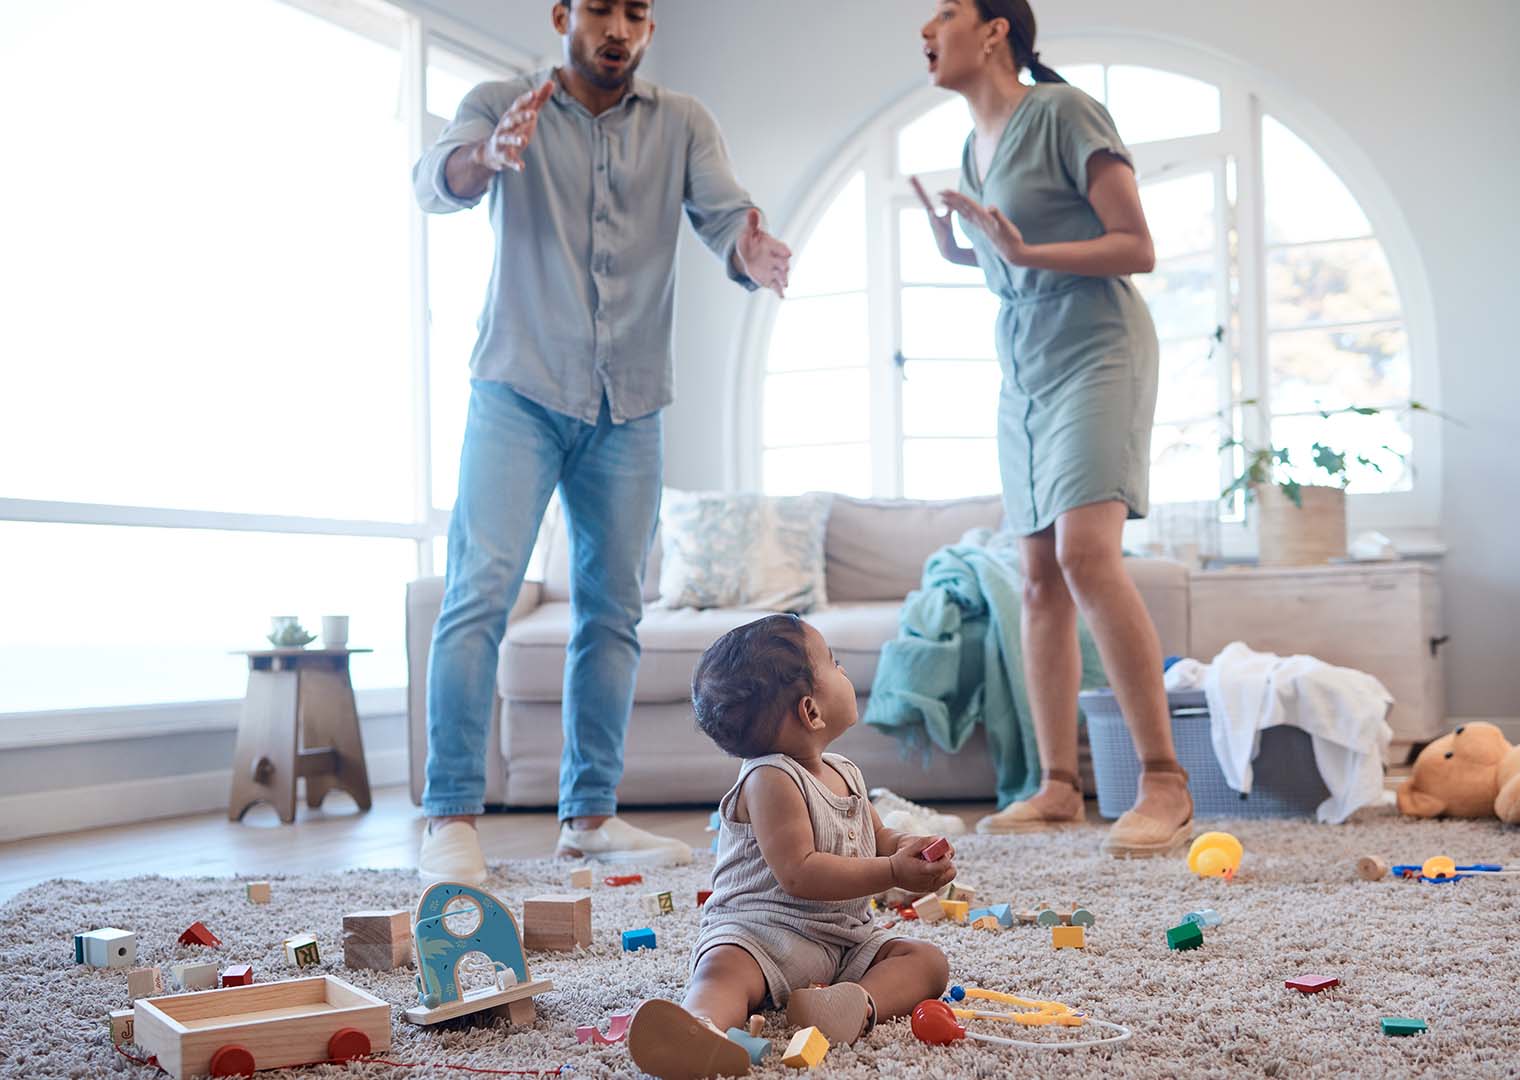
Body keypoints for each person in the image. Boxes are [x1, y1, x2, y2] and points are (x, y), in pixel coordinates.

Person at [411, 0, 792, 882]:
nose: (616, 27)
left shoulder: (684, 122)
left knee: (611, 613)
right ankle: (451, 819)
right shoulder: (503, 101)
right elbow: (438, 178)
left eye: (636, 12)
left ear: (649, 27)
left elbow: (724, 216)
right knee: (479, 594)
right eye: (599, 9)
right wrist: (484, 156)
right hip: (517, 389)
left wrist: (750, 251)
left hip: (631, 405)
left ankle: (589, 818)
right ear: (562, 14)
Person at [915, 0, 1194, 856]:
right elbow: (1012, 254)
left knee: (1084, 553)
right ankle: (1057, 786)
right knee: (1035, 573)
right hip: (1023, 363)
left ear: (995, 28)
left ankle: (1162, 782)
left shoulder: (1063, 112)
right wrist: (962, 249)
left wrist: (1026, 252)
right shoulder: (972, 144)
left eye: (945, 11)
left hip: (1095, 348)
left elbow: (1135, 245)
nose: (926, 28)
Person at [626, 615, 953, 1080]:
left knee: (928, 962)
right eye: (835, 664)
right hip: (763, 933)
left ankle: (854, 1005)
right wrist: (893, 873)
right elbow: (800, 873)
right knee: (723, 970)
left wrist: (908, 848)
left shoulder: (845, 771)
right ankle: (698, 1026)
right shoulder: (769, 778)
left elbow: (876, 839)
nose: (844, 672)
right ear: (811, 711)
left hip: (843, 939)